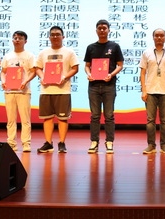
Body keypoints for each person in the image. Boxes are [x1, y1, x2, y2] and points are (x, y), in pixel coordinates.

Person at [35, 26, 79, 153]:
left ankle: (62, 143)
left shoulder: (69, 52)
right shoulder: (43, 52)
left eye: (58, 34)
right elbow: (38, 68)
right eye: (52, 35)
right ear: (49, 37)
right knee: (47, 117)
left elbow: (75, 68)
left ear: (63, 37)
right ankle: (48, 143)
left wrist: (64, 77)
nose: (55, 37)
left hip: (63, 90)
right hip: (46, 90)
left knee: (62, 118)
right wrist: (42, 77)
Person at [84, 19, 124, 154]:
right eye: (99, 28)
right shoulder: (91, 47)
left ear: (109, 30)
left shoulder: (114, 46)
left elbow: (120, 65)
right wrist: (89, 74)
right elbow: (87, 66)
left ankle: (109, 142)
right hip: (93, 86)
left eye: (104, 28)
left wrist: (111, 75)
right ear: (96, 30)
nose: (102, 30)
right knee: (95, 115)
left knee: (109, 115)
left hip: (109, 85)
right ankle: (94, 142)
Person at [139, 28, 165, 154]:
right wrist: (143, 90)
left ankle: (164, 145)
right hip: (150, 90)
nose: (159, 37)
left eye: (161, 35)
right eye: (156, 35)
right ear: (153, 37)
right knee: (150, 120)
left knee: (164, 121)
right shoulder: (147, 53)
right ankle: (151, 145)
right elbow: (143, 72)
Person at [0, 31, 36, 152]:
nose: (17, 40)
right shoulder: (8, 56)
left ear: (25, 41)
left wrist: (25, 82)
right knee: (11, 120)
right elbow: (3, 72)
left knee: (25, 119)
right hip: (9, 91)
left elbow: (33, 72)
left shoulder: (29, 56)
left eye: (20, 38)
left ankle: (26, 143)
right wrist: (3, 81)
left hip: (24, 91)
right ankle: (11, 143)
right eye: (15, 38)